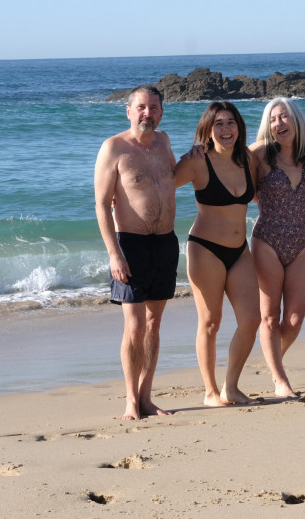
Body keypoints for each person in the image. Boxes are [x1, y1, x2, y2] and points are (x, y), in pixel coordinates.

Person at [94, 85, 178, 420]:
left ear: (161, 111)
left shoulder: (164, 142)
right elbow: (101, 205)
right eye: (141, 107)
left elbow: (170, 179)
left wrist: (201, 159)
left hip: (166, 243)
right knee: (134, 325)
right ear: (128, 111)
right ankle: (130, 399)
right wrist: (114, 254)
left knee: (155, 323)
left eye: (154, 107)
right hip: (131, 243)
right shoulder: (113, 148)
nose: (148, 113)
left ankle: (146, 396)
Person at [175, 102, 261, 406]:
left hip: (240, 250)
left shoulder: (248, 159)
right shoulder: (197, 161)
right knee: (211, 321)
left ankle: (231, 386)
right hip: (205, 249)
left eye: (231, 123)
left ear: (239, 127)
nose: (226, 129)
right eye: (219, 124)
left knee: (252, 319)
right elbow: (161, 185)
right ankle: (211, 392)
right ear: (208, 130)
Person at [251, 98, 305, 396]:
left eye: (284, 117)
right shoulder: (261, 154)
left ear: (296, 120)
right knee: (269, 316)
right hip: (267, 239)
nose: (279, 124)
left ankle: (271, 360)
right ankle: (280, 380)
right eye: (273, 119)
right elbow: (226, 158)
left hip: (302, 241)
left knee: (294, 319)